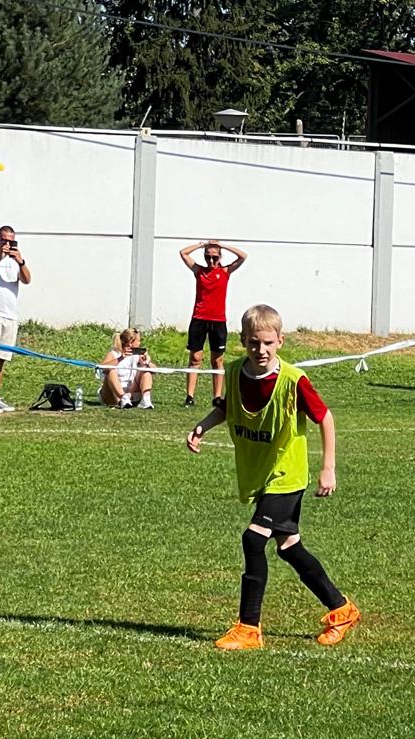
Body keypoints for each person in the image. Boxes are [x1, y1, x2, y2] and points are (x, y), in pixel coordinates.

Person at [186, 303, 360, 650]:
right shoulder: (235, 372)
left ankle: (248, 628)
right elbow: (227, 407)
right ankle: (342, 609)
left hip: (287, 474)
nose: (261, 350)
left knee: (253, 539)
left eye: (267, 342)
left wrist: (328, 468)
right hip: (262, 475)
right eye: (253, 343)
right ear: (242, 341)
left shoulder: (294, 380)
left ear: (280, 341)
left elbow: (325, 418)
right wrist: (202, 427)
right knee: (289, 547)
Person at [180, 239, 247, 407]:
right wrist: (202, 245)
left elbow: (243, 256)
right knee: (195, 358)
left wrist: (222, 245)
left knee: (217, 360)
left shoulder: (225, 271)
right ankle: (190, 396)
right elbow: (183, 253)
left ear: (219, 257)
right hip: (199, 319)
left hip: (218, 321)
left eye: (214, 257)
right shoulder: (199, 271)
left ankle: (217, 396)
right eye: (208, 257)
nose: (211, 261)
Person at [0, 224, 31, 414]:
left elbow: (27, 279)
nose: (7, 244)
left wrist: (21, 261)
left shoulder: (16, 261)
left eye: (11, 241)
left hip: (10, 314)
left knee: (2, 357)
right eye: (4, 240)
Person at [100, 327, 154, 409]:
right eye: (138, 341)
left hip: (132, 394)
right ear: (130, 343)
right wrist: (120, 358)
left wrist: (147, 363)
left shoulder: (138, 355)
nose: (140, 343)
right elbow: (102, 368)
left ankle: (146, 400)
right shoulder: (114, 354)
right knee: (111, 370)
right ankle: (123, 398)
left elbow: (154, 369)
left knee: (146, 370)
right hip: (112, 395)